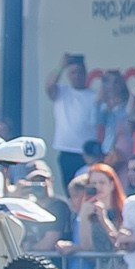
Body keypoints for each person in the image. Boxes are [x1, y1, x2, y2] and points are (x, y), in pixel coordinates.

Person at [44, 55, 98, 184]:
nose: (77, 76)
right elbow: (49, 86)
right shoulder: (62, 92)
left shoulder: (94, 96)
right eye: (73, 72)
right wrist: (61, 67)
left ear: (85, 74)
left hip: (88, 153)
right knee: (70, 188)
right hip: (67, 150)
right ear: (68, 75)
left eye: (80, 72)